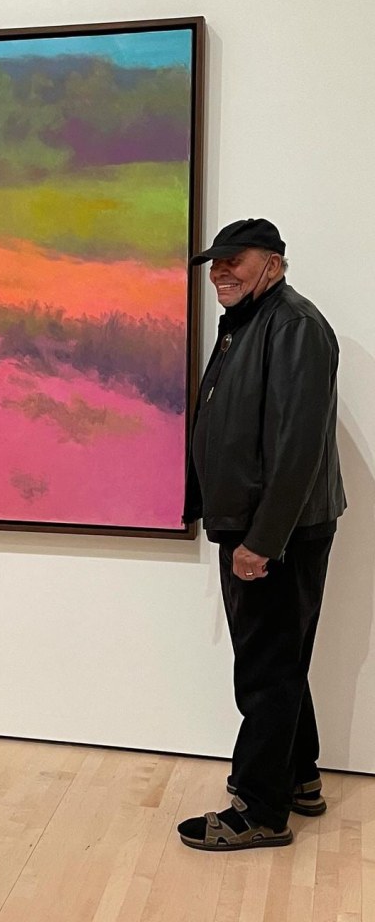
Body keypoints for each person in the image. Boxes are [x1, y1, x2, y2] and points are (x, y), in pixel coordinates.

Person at [177, 218, 346, 851]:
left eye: (233, 260)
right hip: (256, 526)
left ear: (272, 262)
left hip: (277, 532)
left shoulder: (295, 326)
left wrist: (261, 541)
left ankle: (260, 809)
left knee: (265, 669)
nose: (220, 271)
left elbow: (298, 446)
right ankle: (297, 777)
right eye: (214, 263)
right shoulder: (250, 320)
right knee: (280, 660)